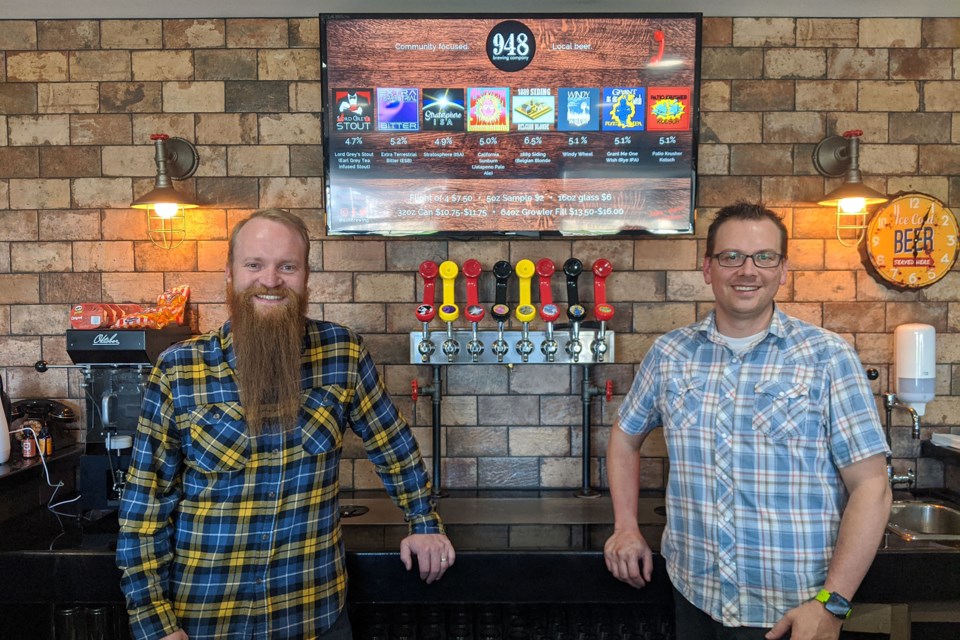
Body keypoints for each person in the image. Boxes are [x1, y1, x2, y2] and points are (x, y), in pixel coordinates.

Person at [117, 208, 455, 640]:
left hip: (314, 617)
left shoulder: (343, 353)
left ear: (306, 275)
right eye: (254, 264)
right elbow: (143, 508)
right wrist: (155, 626)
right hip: (205, 622)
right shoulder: (180, 368)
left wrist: (423, 522)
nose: (271, 280)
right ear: (230, 273)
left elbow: (394, 446)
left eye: (287, 266)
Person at [603, 202, 892, 640]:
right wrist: (625, 527)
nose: (747, 270)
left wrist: (832, 605)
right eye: (731, 256)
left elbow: (872, 486)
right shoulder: (670, 354)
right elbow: (625, 439)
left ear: (783, 269)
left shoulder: (828, 357)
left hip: (794, 611)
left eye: (764, 257)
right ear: (708, 268)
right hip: (694, 593)